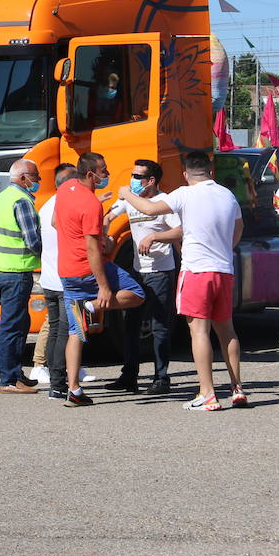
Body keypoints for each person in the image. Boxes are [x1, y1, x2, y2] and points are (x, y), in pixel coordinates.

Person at [120, 151, 244, 410]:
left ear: (186, 174)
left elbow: (150, 208)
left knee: (199, 331)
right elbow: (239, 227)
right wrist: (225, 247)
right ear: (210, 171)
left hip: (197, 270)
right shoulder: (226, 195)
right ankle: (237, 388)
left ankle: (207, 393)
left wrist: (126, 193)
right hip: (224, 269)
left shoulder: (184, 194)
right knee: (227, 331)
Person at [55, 152, 146, 407]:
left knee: (76, 332)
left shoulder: (66, 190)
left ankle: (73, 389)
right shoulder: (91, 205)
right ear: (90, 174)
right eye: (103, 171)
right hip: (88, 269)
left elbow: (55, 222)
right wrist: (104, 287)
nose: (106, 174)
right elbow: (94, 249)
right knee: (137, 294)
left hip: (67, 270)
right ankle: (92, 306)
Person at [104, 158, 180, 394]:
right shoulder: (128, 199)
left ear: (151, 180)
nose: (133, 180)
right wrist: (103, 236)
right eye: (133, 175)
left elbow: (180, 229)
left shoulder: (163, 201)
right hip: (136, 272)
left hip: (161, 271)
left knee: (159, 325)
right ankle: (129, 376)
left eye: (138, 177)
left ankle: (161, 378)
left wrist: (155, 237)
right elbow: (108, 217)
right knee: (131, 324)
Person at [0, 159, 43, 394]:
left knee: (16, 325)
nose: (38, 181)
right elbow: (33, 242)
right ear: (24, 178)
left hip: (2, 270)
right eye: (36, 177)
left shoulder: (2, 197)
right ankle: (10, 379)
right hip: (16, 272)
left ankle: (16, 374)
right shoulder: (22, 201)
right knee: (13, 328)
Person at [33, 164, 76, 398]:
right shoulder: (65, 206)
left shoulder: (47, 205)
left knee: (54, 331)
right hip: (64, 281)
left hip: (49, 280)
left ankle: (56, 383)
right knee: (64, 333)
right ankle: (60, 383)